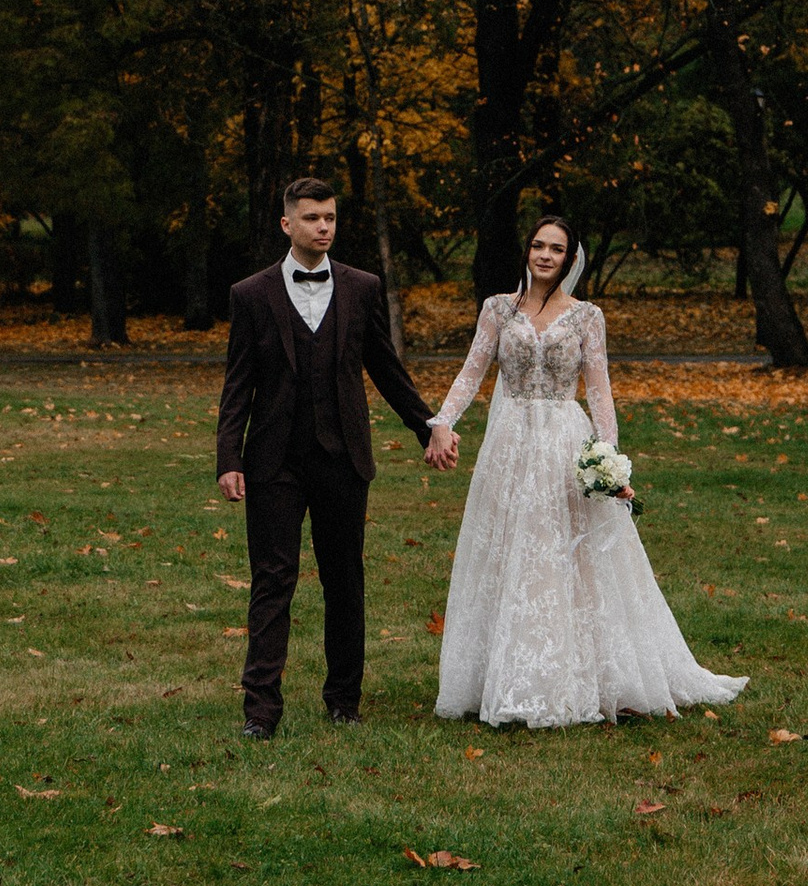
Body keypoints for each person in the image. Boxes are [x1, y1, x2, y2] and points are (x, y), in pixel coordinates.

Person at [428, 214, 747, 726]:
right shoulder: (498, 309)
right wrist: (442, 422)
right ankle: (505, 674)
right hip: (509, 445)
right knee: (511, 551)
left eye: (556, 249)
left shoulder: (586, 317)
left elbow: (599, 390)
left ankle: (583, 673)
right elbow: (472, 371)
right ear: (527, 251)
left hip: (563, 441)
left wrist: (610, 460)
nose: (545, 255)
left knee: (569, 553)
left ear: (570, 258)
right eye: (538, 245)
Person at [216, 170, 448, 739]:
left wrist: (429, 428)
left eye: (330, 217)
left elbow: (386, 369)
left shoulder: (361, 287)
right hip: (273, 461)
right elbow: (238, 383)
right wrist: (229, 458)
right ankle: (261, 712)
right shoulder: (250, 294)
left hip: (343, 458)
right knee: (273, 581)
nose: (324, 227)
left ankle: (344, 700)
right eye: (312, 218)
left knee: (345, 580)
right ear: (287, 223)